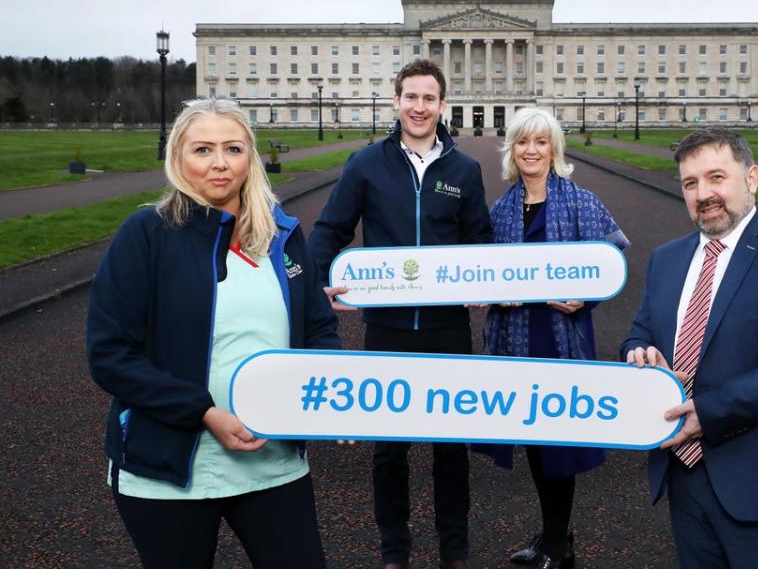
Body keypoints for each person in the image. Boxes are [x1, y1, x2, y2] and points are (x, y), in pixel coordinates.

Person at [87, 98, 339, 568]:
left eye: (233, 148)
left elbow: (318, 328)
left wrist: (326, 397)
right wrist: (202, 411)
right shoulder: (147, 232)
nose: (220, 163)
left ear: (251, 156)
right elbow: (110, 355)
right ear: (178, 158)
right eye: (203, 150)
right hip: (170, 470)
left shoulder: (283, 234)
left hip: (273, 463)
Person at [621, 127, 758, 568]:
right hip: (685, 480)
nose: (704, 193)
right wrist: (638, 354)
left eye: (716, 177)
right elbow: (638, 334)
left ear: (752, 178)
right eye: (690, 183)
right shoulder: (666, 258)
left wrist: (710, 412)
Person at [308, 58, 492, 569]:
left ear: (442, 106)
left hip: (447, 328)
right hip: (386, 328)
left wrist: (485, 281)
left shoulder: (464, 170)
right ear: (396, 102)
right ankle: (395, 551)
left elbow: (479, 241)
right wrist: (320, 280)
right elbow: (329, 229)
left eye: (428, 98)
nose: (419, 106)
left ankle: (454, 552)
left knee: (451, 448)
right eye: (410, 97)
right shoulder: (366, 163)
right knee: (389, 449)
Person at [476, 108, 629, 569]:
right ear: (512, 150)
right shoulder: (501, 210)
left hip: (560, 337)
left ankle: (559, 547)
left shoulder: (581, 201)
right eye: (523, 142)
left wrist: (587, 298)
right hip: (516, 339)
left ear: (554, 149)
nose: (531, 150)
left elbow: (616, 256)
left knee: (559, 444)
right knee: (537, 443)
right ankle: (553, 537)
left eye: (541, 142)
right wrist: (493, 295)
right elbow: (485, 273)